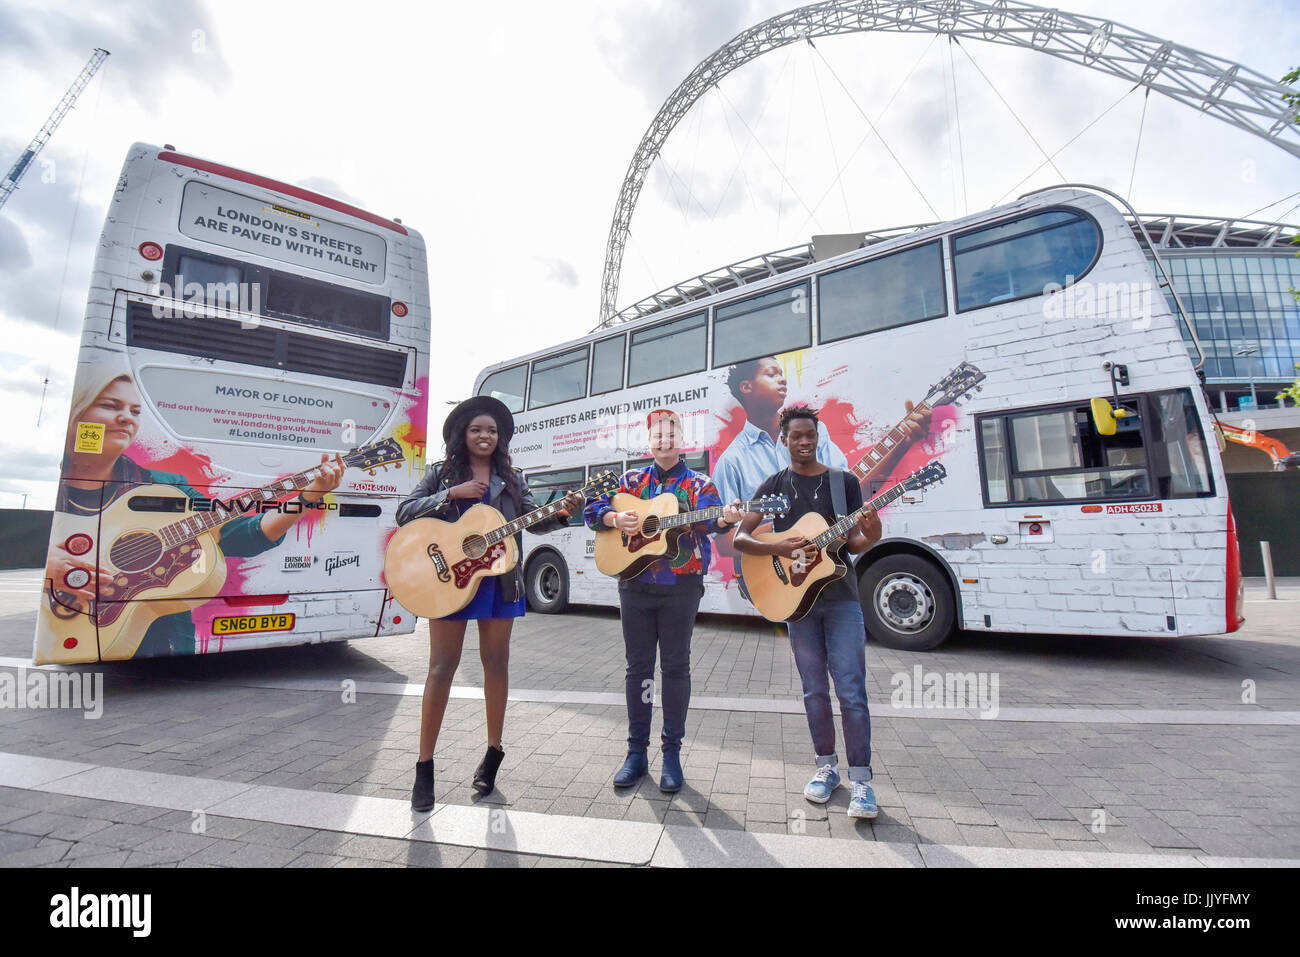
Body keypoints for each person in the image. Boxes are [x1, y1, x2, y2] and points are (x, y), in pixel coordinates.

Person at [46, 371, 343, 658]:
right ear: (78, 413)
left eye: (135, 410)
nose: (125, 417)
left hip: (162, 636)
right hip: (61, 617)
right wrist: (51, 563)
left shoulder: (167, 487)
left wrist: (308, 497)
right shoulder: (60, 487)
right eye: (110, 406)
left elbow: (240, 533)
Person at [396, 395, 583, 812]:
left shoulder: (513, 479)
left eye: (493, 431)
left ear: (501, 439)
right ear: (463, 434)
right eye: (477, 429)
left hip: (499, 584)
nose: (485, 436)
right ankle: (424, 767)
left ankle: (493, 754)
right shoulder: (440, 473)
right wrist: (451, 494)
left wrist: (565, 511)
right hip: (445, 581)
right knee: (441, 667)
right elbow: (404, 513)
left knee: (496, 664)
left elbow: (536, 519)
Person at [731, 404, 883, 819]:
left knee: (851, 690)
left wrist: (871, 534)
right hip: (797, 605)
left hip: (841, 599)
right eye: (796, 435)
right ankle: (826, 768)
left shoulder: (843, 483)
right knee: (814, 690)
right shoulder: (773, 485)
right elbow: (743, 538)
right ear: (783, 439)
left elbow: (851, 544)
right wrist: (777, 547)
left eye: (810, 435)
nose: (803, 442)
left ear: (818, 437)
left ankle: (863, 781)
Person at [584, 409, 743, 792]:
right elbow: (592, 508)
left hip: (680, 588)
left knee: (674, 669)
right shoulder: (630, 480)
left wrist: (726, 518)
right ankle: (636, 752)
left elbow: (709, 524)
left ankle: (671, 752)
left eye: (672, 434)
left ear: (681, 440)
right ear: (649, 440)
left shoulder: (700, 484)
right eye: (658, 435)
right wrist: (612, 519)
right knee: (638, 670)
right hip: (634, 587)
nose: (664, 440)